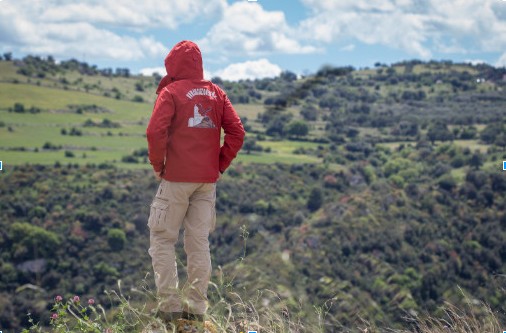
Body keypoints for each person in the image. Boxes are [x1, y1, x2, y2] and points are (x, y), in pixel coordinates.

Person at [146, 40, 245, 329]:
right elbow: (237, 133)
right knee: (198, 243)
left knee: (163, 240)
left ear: (172, 65)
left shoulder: (171, 92)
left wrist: (158, 165)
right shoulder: (217, 93)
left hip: (176, 179)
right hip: (206, 182)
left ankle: (170, 310)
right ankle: (196, 311)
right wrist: (219, 165)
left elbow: (154, 132)